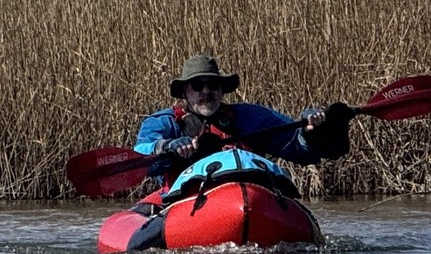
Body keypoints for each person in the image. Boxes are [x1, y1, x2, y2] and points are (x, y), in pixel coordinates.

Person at [134, 54, 352, 195]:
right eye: (198, 85)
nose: (206, 92)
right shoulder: (165, 121)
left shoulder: (250, 117)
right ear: (184, 92)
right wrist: (167, 146)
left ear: (221, 90)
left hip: (250, 195)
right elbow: (140, 154)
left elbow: (298, 147)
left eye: (213, 85)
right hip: (186, 202)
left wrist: (310, 130)